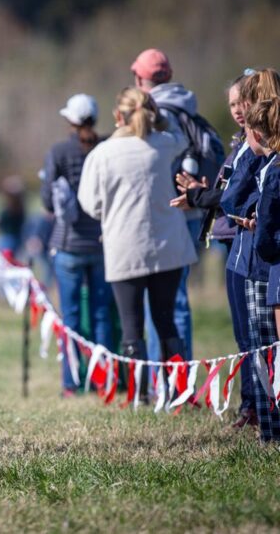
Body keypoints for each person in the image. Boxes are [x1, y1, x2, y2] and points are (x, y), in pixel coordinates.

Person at [77, 87, 197, 399]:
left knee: (132, 326)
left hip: (125, 246)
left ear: (118, 116)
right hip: (168, 245)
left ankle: (140, 394)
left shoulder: (102, 154)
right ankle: (178, 391)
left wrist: (111, 211)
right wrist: (159, 120)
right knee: (166, 321)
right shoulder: (163, 143)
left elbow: (89, 203)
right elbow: (184, 139)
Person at [171, 73, 256, 426]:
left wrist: (198, 195)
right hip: (233, 243)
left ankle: (259, 407)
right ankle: (252, 404)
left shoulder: (259, 147)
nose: (238, 110)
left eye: (244, 103)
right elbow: (229, 194)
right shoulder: (242, 143)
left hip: (249, 246)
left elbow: (236, 197)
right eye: (233, 104)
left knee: (257, 334)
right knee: (244, 334)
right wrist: (200, 193)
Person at [131, 48, 219, 362]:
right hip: (192, 211)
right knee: (173, 300)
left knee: (167, 303)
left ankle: (170, 383)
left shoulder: (161, 113)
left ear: (141, 78)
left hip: (170, 214)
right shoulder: (186, 106)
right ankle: (173, 381)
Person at [40, 93, 113, 397]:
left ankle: (71, 383)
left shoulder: (58, 152)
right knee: (101, 316)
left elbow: (46, 199)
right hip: (103, 243)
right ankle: (103, 381)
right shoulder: (108, 147)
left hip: (68, 244)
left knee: (70, 318)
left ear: (70, 120)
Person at [229, 96, 280, 441]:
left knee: (268, 351)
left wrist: (264, 242)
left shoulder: (272, 169)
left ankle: (272, 430)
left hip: (270, 266)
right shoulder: (270, 165)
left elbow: (263, 221)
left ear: (259, 134)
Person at [0, 176, 26, 263]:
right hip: (17, 238)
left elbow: (2, 223)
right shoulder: (20, 206)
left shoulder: (9, 208)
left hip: (7, 238)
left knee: (7, 263)